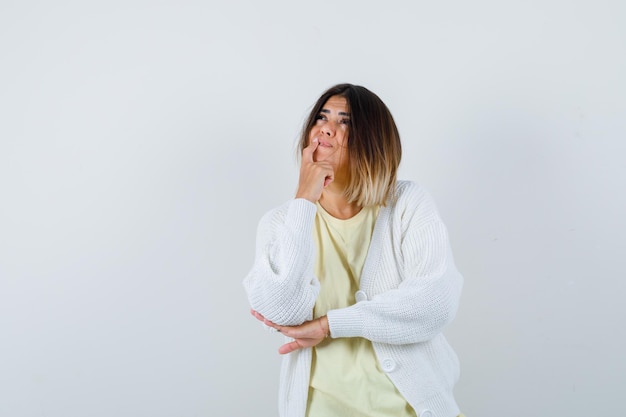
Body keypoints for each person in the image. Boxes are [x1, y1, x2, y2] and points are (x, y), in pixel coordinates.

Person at [243, 83, 464, 417]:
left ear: (373, 140)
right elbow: (282, 311)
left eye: (345, 121)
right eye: (321, 117)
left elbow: (434, 302)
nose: (326, 128)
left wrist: (329, 324)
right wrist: (303, 200)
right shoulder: (281, 223)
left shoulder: (406, 203)